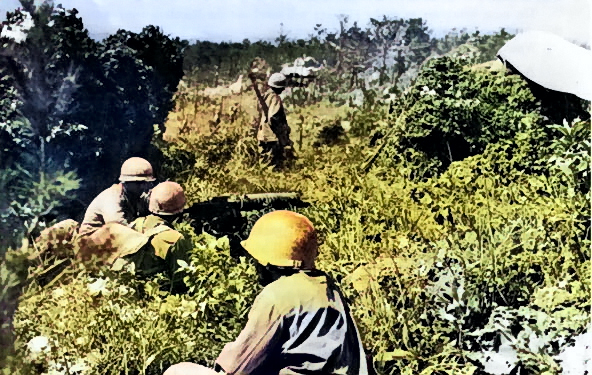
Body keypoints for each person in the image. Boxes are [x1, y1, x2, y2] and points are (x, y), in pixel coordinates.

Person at [163, 210, 371, 375]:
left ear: (267, 263)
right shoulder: (327, 287)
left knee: (179, 371)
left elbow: (238, 367)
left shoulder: (278, 295)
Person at [109, 181, 192, 293]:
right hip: (153, 293)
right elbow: (182, 280)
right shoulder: (174, 239)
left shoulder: (136, 224)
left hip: (122, 286)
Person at [78, 157, 156, 237]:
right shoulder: (112, 198)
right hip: (92, 243)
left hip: (110, 241)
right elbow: (118, 228)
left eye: (147, 182)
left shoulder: (134, 194)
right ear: (127, 182)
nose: (145, 186)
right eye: (140, 183)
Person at [256, 73, 294, 169]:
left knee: (264, 163)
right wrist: (281, 132)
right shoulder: (275, 98)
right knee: (273, 165)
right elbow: (273, 117)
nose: (283, 89)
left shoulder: (265, 96)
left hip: (262, 134)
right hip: (272, 136)